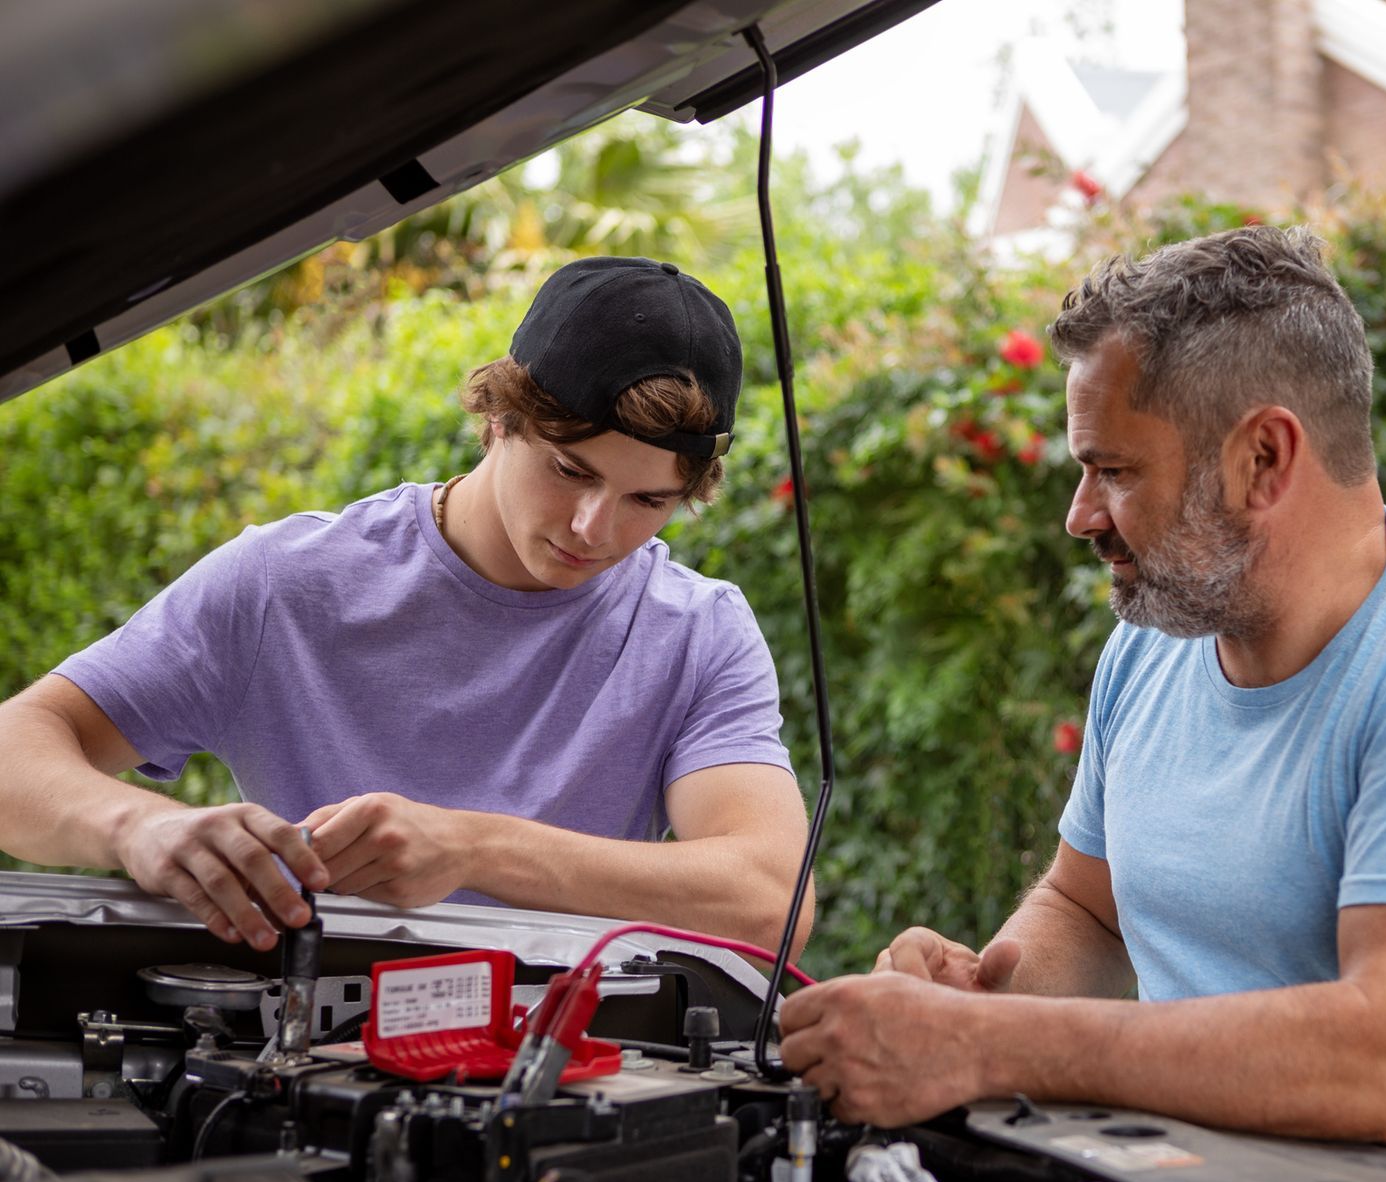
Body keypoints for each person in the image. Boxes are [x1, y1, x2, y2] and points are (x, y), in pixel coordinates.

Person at [779, 226, 1386, 1182]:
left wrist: (981, 1045)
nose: (1080, 514)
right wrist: (978, 993)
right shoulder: (1156, 645)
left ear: (1263, 458)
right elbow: (1087, 906)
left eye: (1113, 470)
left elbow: (1385, 1059)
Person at [0, 257, 808, 956]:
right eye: (570, 471)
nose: (595, 530)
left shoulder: (697, 630)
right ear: (498, 419)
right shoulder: (287, 581)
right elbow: (17, 751)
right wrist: (139, 829)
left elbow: (772, 902)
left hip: (577, 1087)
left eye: (647, 501)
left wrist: (471, 846)